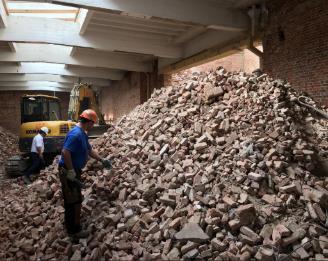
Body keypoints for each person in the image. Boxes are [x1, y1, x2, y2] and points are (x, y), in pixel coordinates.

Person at [58, 109, 112, 239]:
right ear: (88, 122)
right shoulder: (75, 134)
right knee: (72, 201)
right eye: (93, 124)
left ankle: (74, 224)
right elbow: (65, 152)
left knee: (76, 199)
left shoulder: (82, 133)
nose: (93, 126)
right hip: (67, 170)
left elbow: (89, 150)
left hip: (74, 170)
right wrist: (70, 171)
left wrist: (101, 159)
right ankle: (73, 231)